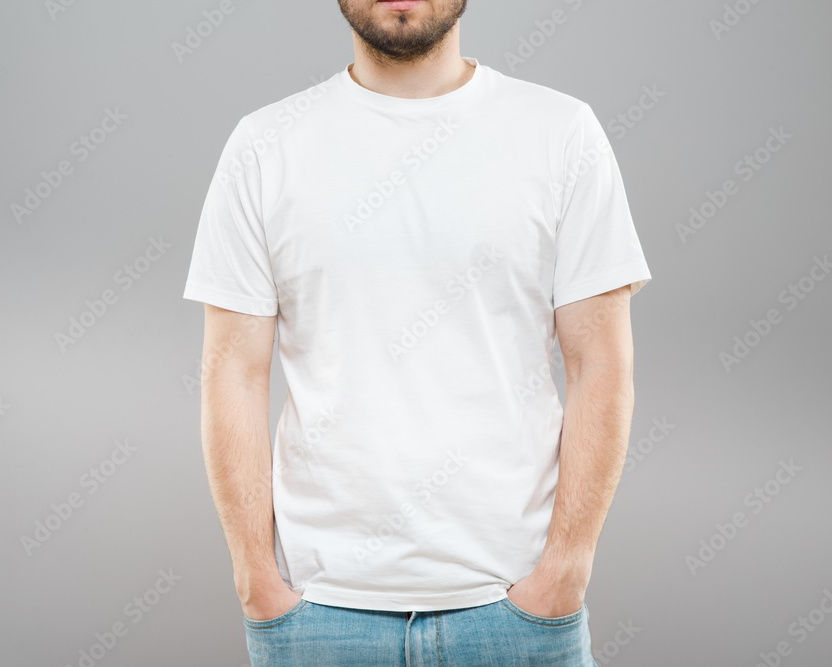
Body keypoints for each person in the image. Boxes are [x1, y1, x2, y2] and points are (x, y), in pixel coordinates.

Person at [183, 1, 652, 664]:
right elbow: (232, 372)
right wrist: (256, 580)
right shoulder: (264, 146)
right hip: (318, 617)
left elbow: (601, 363)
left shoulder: (561, 133)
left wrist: (564, 571)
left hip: (517, 613)